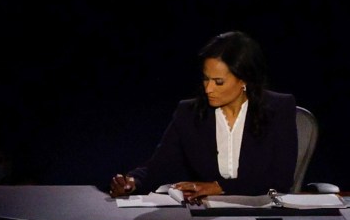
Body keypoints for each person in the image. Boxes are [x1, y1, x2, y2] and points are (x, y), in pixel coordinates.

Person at [109, 30, 300, 197]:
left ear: (244, 80)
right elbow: (158, 168)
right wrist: (132, 182)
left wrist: (219, 187)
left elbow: (280, 180)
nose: (208, 89)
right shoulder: (189, 113)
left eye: (218, 82)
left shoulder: (278, 109)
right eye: (205, 79)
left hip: (262, 217)